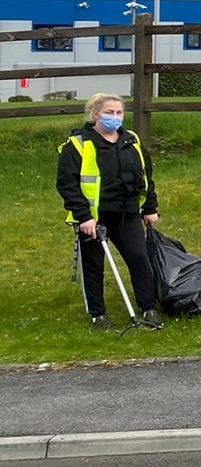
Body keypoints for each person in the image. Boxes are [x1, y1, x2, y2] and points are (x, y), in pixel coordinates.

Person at [56, 93, 164, 330]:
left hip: (127, 213)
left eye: (119, 113)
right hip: (95, 218)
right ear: (96, 114)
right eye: (109, 112)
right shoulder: (79, 144)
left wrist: (150, 208)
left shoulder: (131, 140)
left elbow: (146, 176)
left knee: (139, 258)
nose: (115, 117)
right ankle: (98, 314)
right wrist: (83, 216)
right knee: (94, 265)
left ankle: (148, 308)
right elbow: (67, 184)